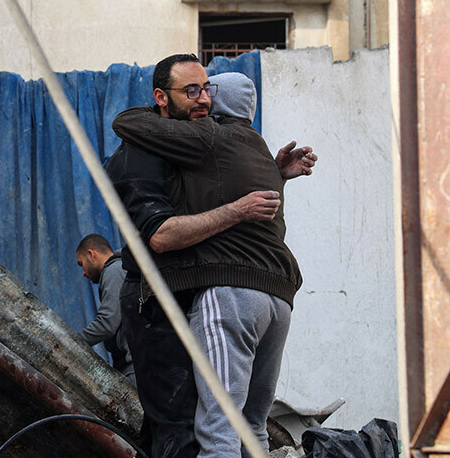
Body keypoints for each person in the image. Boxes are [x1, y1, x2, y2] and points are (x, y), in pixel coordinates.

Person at [111, 58, 316, 458]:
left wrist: (244, 202)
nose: (203, 99)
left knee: (215, 429)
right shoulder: (251, 149)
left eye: (208, 90)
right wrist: (264, 184)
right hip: (264, 297)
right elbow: (160, 234)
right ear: (161, 98)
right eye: (192, 91)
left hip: (229, 293)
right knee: (243, 427)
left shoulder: (211, 139)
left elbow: (126, 121)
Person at [75, 234, 135, 384]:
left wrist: (71, 341)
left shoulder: (114, 271)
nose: (83, 273)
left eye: (81, 264)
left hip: (135, 366)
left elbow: (107, 323)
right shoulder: (119, 269)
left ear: (91, 254)